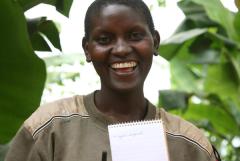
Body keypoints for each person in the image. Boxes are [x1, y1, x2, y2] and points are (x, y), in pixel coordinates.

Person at [5, 0, 220, 161]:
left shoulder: (189, 144)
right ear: (87, 49)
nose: (121, 49)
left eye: (135, 36)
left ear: (155, 42)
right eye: (104, 39)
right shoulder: (50, 128)